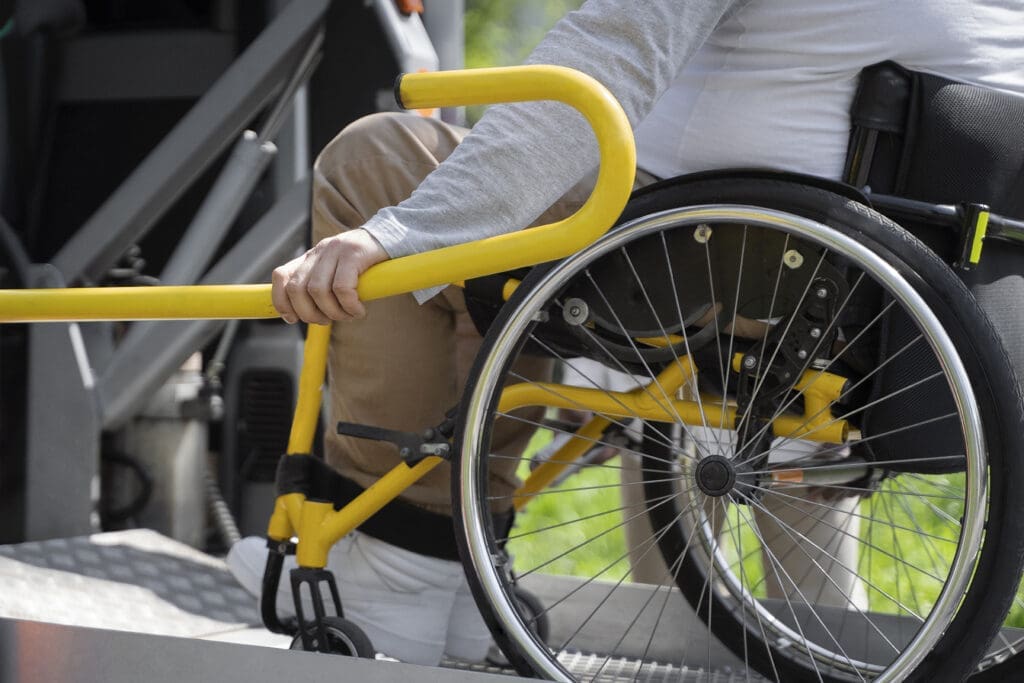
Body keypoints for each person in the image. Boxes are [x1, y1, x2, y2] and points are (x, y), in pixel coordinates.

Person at [227, 0, 1024, 666]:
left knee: (379, 161)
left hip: (716, 253)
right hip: (888, 287)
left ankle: (403, 561)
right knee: (505, 226)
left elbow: (593, 71)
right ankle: (457, 570)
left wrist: (401, 232)